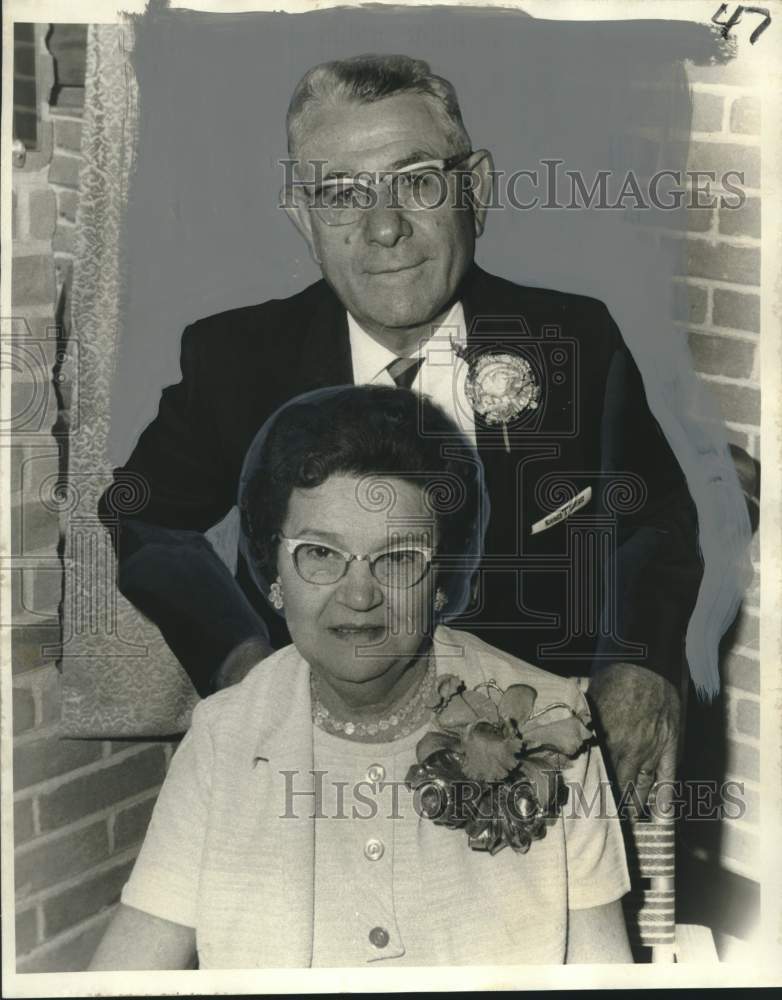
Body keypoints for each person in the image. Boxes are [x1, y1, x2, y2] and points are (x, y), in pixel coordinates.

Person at [100, 53, 711, 802]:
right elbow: (141, 515)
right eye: (341, 194)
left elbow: (655, 518)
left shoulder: (576, 341)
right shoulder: (235, 359)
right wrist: (244, 663)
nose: (384, 228)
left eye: (417, 181)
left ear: (475, 190)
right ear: (302, 217)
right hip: (318, 770)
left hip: (536, 772)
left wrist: (643, 662)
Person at [90, 386, 632, 969]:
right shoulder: (224, 736)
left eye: (397, 558)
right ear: (274, 573)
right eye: (320, 554)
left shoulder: (550, 724)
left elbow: (604, 971)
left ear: (442, 577)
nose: (358, 596)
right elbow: (123, 977)